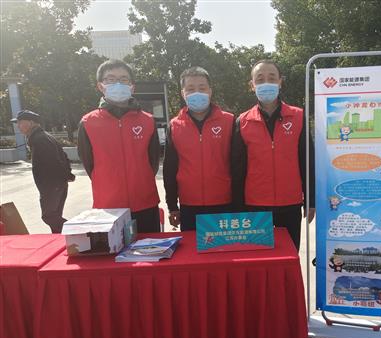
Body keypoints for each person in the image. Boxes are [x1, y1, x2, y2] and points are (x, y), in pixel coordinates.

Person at [231, 60, 315, 250]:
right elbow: (237, 169)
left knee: (288, 255)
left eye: (272, 78)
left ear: (280, 82)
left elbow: (307, 161)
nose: (266, 83)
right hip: (255, 205)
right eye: (260, 79)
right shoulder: (242, 121)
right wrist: (238, 207)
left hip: (290, 203)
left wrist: (311, 200)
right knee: (259, 258)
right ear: (252, 85)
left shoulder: (298, 117)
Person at [77, 59, 161, 233]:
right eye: (111, 79)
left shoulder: (147, 121)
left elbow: (153, 161)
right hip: (108, 207)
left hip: (145, 203)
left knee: (150, 248)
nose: (118, 84)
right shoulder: (88, 123)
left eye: (124, 79)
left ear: (132, 86)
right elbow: (89, 164)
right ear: (101, 86)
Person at [163, 67, 234, 230]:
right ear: (183, 93)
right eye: (190, 89)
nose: (197, 93)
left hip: (224, 202)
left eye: (202, 88)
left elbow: (238, 165)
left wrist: (239, 203)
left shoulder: (229, 122)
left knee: (225, 246)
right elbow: (169, 169)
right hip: (189, 205)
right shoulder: (174, 126)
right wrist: (172, 206)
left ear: (210, 91)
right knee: (192, 246)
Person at [11, 110, 75, 233]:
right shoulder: (42, 136)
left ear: (30, 123)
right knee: (54, 216)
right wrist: (67, 175)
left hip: (52, 185)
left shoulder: (39, 139)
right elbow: (64, 156)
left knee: (49, 216)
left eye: (20, 122)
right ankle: (63, 239)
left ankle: (79, 231)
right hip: (55, 184)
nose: (18, 126)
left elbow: (55, 161)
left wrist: (65, 176)